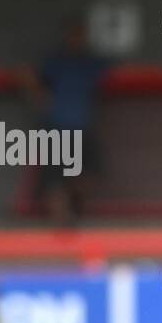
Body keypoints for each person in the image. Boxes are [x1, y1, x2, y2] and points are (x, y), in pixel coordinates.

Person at [19, 15, 112, 226]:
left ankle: (74, 213)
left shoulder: (91, 63)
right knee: (54, 176)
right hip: (56, 125)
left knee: (88, 174)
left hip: (82, 126)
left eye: (81, 35)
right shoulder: (55, 62)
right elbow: (29, 76)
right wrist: (39, 97)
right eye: (74, 34)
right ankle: (61, 221)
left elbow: (117, 70)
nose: (77, 39)